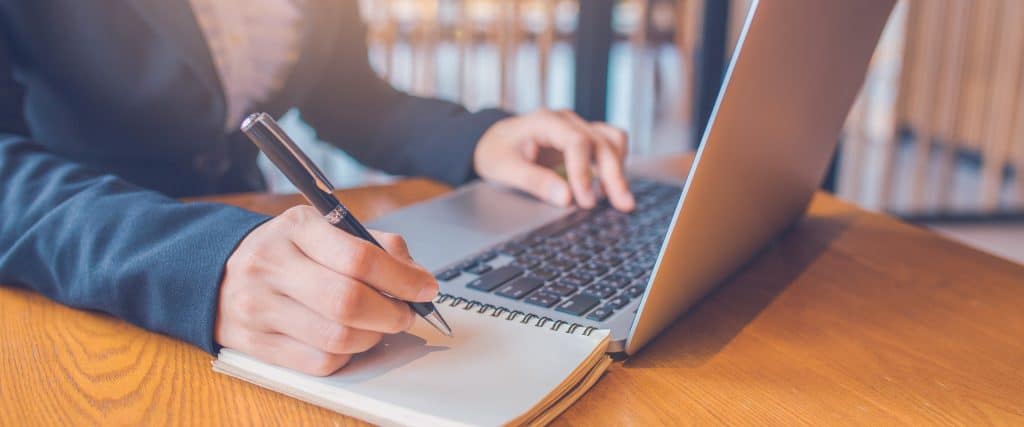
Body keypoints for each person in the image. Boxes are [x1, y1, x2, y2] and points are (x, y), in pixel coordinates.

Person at [0, 1, 634, 376]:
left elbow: (349, 100)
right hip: (73, 272)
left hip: (260, 251)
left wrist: (480, 139)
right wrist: (200, 262)